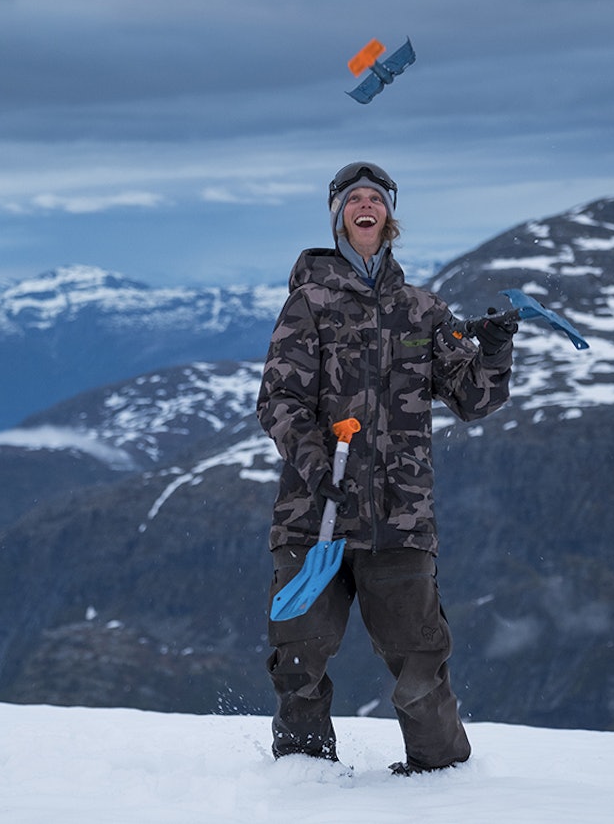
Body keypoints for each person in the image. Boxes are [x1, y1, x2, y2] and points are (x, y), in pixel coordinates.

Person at [256, 161, 517, 775]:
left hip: (401, 519)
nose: (364, 205)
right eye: (354, 199)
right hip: (312, 518)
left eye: (375, 198)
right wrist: (316, 461)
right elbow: (278, 400)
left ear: (389, 217)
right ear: (339, 216)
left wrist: (496, 353)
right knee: (299, 656)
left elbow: (473, 399)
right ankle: (303, 777)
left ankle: (442, 779)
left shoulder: (423, 310)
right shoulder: (309, 303)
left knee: (420, 656)